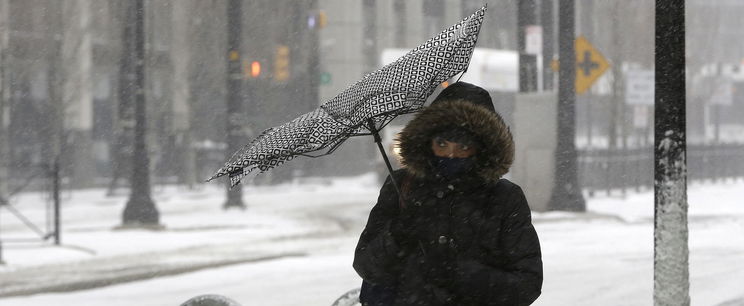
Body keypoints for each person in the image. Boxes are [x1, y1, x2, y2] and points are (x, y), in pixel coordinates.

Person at [353, 82, 543, 305]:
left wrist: (465, 275)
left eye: (463, 147)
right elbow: (366, 265)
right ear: (428, 140)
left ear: (482, 148)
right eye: (442, 144)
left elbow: (527, 283)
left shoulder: (504, 198)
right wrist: (397, 233)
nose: (451, 155)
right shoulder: (402, 185)